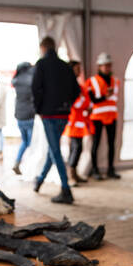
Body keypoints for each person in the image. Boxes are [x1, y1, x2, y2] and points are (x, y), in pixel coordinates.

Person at [31, 36, 80, 204]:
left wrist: (39, 109)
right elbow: (76, 90)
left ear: (43, 48)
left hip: (49, 115)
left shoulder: (41, 65)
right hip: (64, 114)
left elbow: (35, 88)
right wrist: (67, 104)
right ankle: (39, 180)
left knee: (55, 150)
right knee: (54, 149)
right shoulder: (65, 66)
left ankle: (66, 189)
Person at [88, 52, 120, 180]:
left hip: (111, 116)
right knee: (96, 144)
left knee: (111, 143)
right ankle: (95, 170)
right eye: (105, 65)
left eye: (109, 65)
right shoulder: (92, 81)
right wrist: (104, 96)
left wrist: (104, 97)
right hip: (97, 117)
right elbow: (92, 101)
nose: (107, 68)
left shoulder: (115, 81)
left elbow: (114, 98)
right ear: (99, 66)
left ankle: (110, 169)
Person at [62, 60, 93, 187]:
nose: (79, 71)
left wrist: (86, 104)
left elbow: (86, 99)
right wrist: (85, 104)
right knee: (76, 148)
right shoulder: (69, 85)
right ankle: (71, 175)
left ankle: (74, 173)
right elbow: (76, 103)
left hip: (80, 121)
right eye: (77, 68)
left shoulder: (78, 85)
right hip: (74, 121)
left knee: (76, 148)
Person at [11, 61, 35, 175]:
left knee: (25, 142)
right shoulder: (31, 80)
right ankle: (33, 167)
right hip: (30, 115)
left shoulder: (16, 81)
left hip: (19, 115)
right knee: (32, 143)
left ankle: (17, 162)